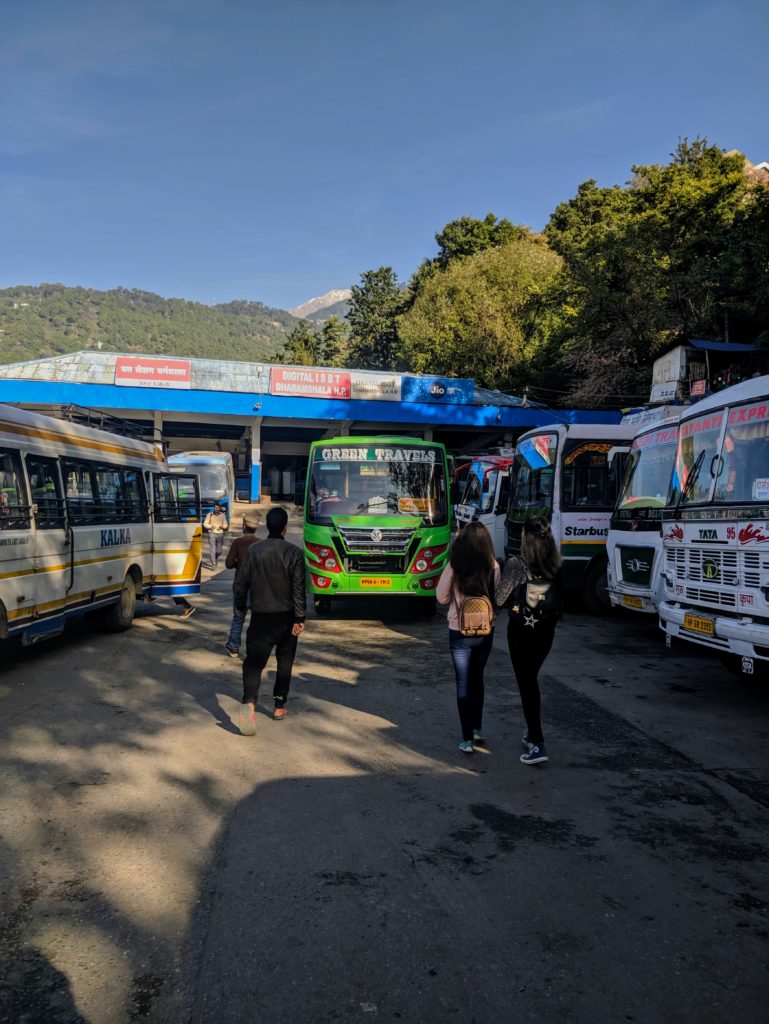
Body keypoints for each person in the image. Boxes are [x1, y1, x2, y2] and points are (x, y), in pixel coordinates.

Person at [495, 516, 563, 766]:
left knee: (527, 685)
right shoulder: (555, 564)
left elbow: (499, 599)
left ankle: (537, 740)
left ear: (527, 540)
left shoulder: (516, 564)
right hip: (545, 634)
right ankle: (532, 733)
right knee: (530, 680)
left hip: (521, 634)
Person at [233, 506, 306, 734]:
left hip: (260, 618)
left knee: (253, 663)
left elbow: (240, 584)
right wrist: (300, 617)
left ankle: (249, 703)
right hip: (286, 620)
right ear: (286, 527)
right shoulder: (295, 553)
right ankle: (279, 704)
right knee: (285, 663)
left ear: (267, 527)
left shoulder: (254, 551)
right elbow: (298, 589)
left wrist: (239, 606)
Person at [436, 522, 501, 754]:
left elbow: (441, 597)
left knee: (463, 682)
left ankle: (466, 739)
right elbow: (498, 597)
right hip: (486, 631)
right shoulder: (493, 566)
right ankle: (476, 728)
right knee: (477, 678)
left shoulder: (455, 565)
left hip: (459, 630)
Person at [224, 512, 261, 657]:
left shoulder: (238, 542)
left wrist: (237, 564)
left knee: (238, 617)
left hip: (240, 585)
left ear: (243, 526)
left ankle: (233, 647)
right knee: (257, 619)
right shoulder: (261, 543)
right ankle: (256, 649)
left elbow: (228, 563)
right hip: (257, 586)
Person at [203, 501, 229, 569]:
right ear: (214, 508)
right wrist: (211, 526)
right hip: (211, 533)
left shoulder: (222, 515)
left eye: (218, 507)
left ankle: (215, 557)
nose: (216, 508)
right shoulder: (210, 514)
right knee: (213, 550)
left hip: (220, 533)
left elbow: (225, 524)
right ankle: (213, 564)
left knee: (219, 551)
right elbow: (205, 524)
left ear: (219, 508)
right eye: (215, 507)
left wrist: (223, 527)